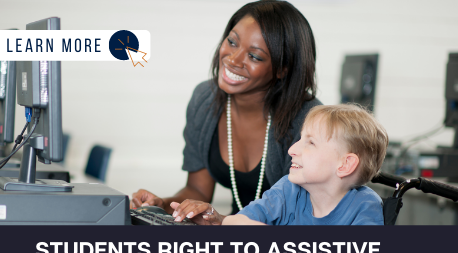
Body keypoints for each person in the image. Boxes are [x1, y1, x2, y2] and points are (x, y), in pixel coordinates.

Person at [131, 0, 321, 214]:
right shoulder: (205, 99)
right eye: (232, 41)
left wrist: (222, 222)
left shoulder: (308, 121)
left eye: (254, 56)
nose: (233, 59)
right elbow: (197, 190)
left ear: (282, 69)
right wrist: (162, 205)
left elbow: (299, 216)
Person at [171, 104, 389, 225]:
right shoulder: (288, 190)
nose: (292, 149)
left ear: (345, 164)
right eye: (300, 139)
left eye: (310, 142)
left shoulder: (364, 206)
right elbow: (239, 222)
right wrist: (215, 219)